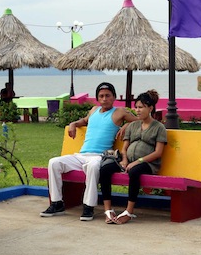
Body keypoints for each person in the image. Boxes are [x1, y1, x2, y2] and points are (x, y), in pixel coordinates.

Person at [41, 82, 137, 221]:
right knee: (54, 163)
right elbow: (85, 120)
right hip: (81, 155)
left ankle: (88, 206)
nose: (104, 99)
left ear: (114, 97)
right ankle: (57, 203)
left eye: (108, 96)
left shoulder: (119, 112)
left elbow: (140, 121)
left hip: (99, 156)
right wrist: (73, 124)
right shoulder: (93, 110)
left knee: (93, 167)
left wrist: (127, 124)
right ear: (97, 98)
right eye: (101, 96)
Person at [99, 90, 167, 225]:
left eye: (141, 107)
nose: (137, 110)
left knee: (134, 172)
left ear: (150, 108)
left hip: (148, 164)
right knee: (105, 169)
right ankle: (108, 210)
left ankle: (128, 211)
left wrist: (137, 162)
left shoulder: (159, 127)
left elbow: (158, 152)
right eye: (136, 107)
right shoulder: (132, 125)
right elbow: (124, 148)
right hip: (128, 161)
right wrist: (124, 160)